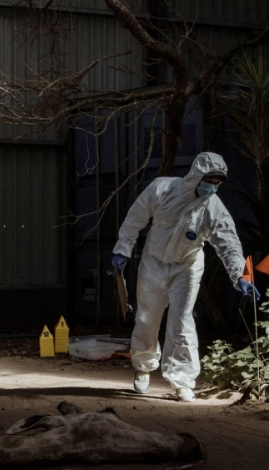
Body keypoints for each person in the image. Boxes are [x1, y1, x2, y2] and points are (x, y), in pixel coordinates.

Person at [111, 152, 259, 402]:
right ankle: (144, 367)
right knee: (147, 318)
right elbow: (135, 218)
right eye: (208, 180)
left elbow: (229, 244)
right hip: (153, 264)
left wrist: (240, 276)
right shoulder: (163, 189)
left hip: (187, 267)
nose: (211, 187)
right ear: (196, 175)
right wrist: (122, 249)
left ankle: (182, 380)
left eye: (216, 183)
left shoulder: (213, 208)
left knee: (181, 321)